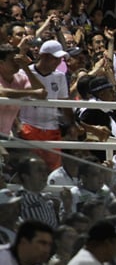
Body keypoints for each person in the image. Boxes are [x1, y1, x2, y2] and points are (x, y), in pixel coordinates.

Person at [18, 39, 74, 170]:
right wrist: (18, 125)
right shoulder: (23, 73)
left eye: (60, 59)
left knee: (53, 169)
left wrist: (72, 124)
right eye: (56, 58)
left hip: (52, 129)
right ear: (43, 56)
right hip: (29, 126)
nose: (59, 62)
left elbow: (64, 104)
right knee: (31, 169)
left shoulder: (60, 76)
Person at [0, 42, 47, 136]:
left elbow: (42, 92)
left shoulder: (21, 78)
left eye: (17, 60)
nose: (16, 63)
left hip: (5, 135)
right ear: (1, 62)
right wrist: (32, 93)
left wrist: (26, 68)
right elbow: (2, 92)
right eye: (12, 60)